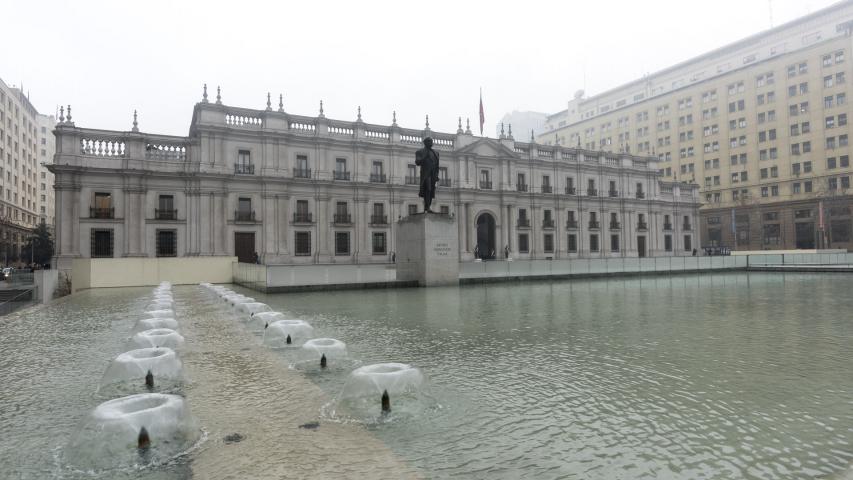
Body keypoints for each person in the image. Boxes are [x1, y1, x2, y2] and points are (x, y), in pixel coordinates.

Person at [415, 137, 440, 212]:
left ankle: (427, 207)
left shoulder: (436, 153)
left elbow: (437, 165)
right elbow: (417, 162)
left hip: (433, 174)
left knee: (431, 191)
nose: (431, 143)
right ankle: (427, 207)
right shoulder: (420, 151)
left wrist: (437, 175)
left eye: (432, 141)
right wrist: (424, 157)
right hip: (426, 174)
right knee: (427, 189)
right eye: (430, 141)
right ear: (425, 143)